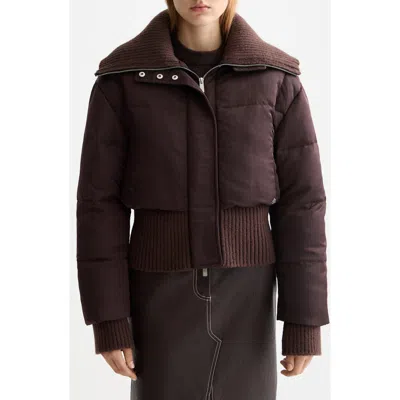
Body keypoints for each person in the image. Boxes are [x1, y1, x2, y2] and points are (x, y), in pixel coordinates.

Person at [76, 1, 329, 399]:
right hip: (158, 295)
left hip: (248, 298)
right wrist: (109, 320)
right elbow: (99, 206)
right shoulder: (121, 81)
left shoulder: (276, 79)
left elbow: (303, 204)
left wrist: (304, 318)